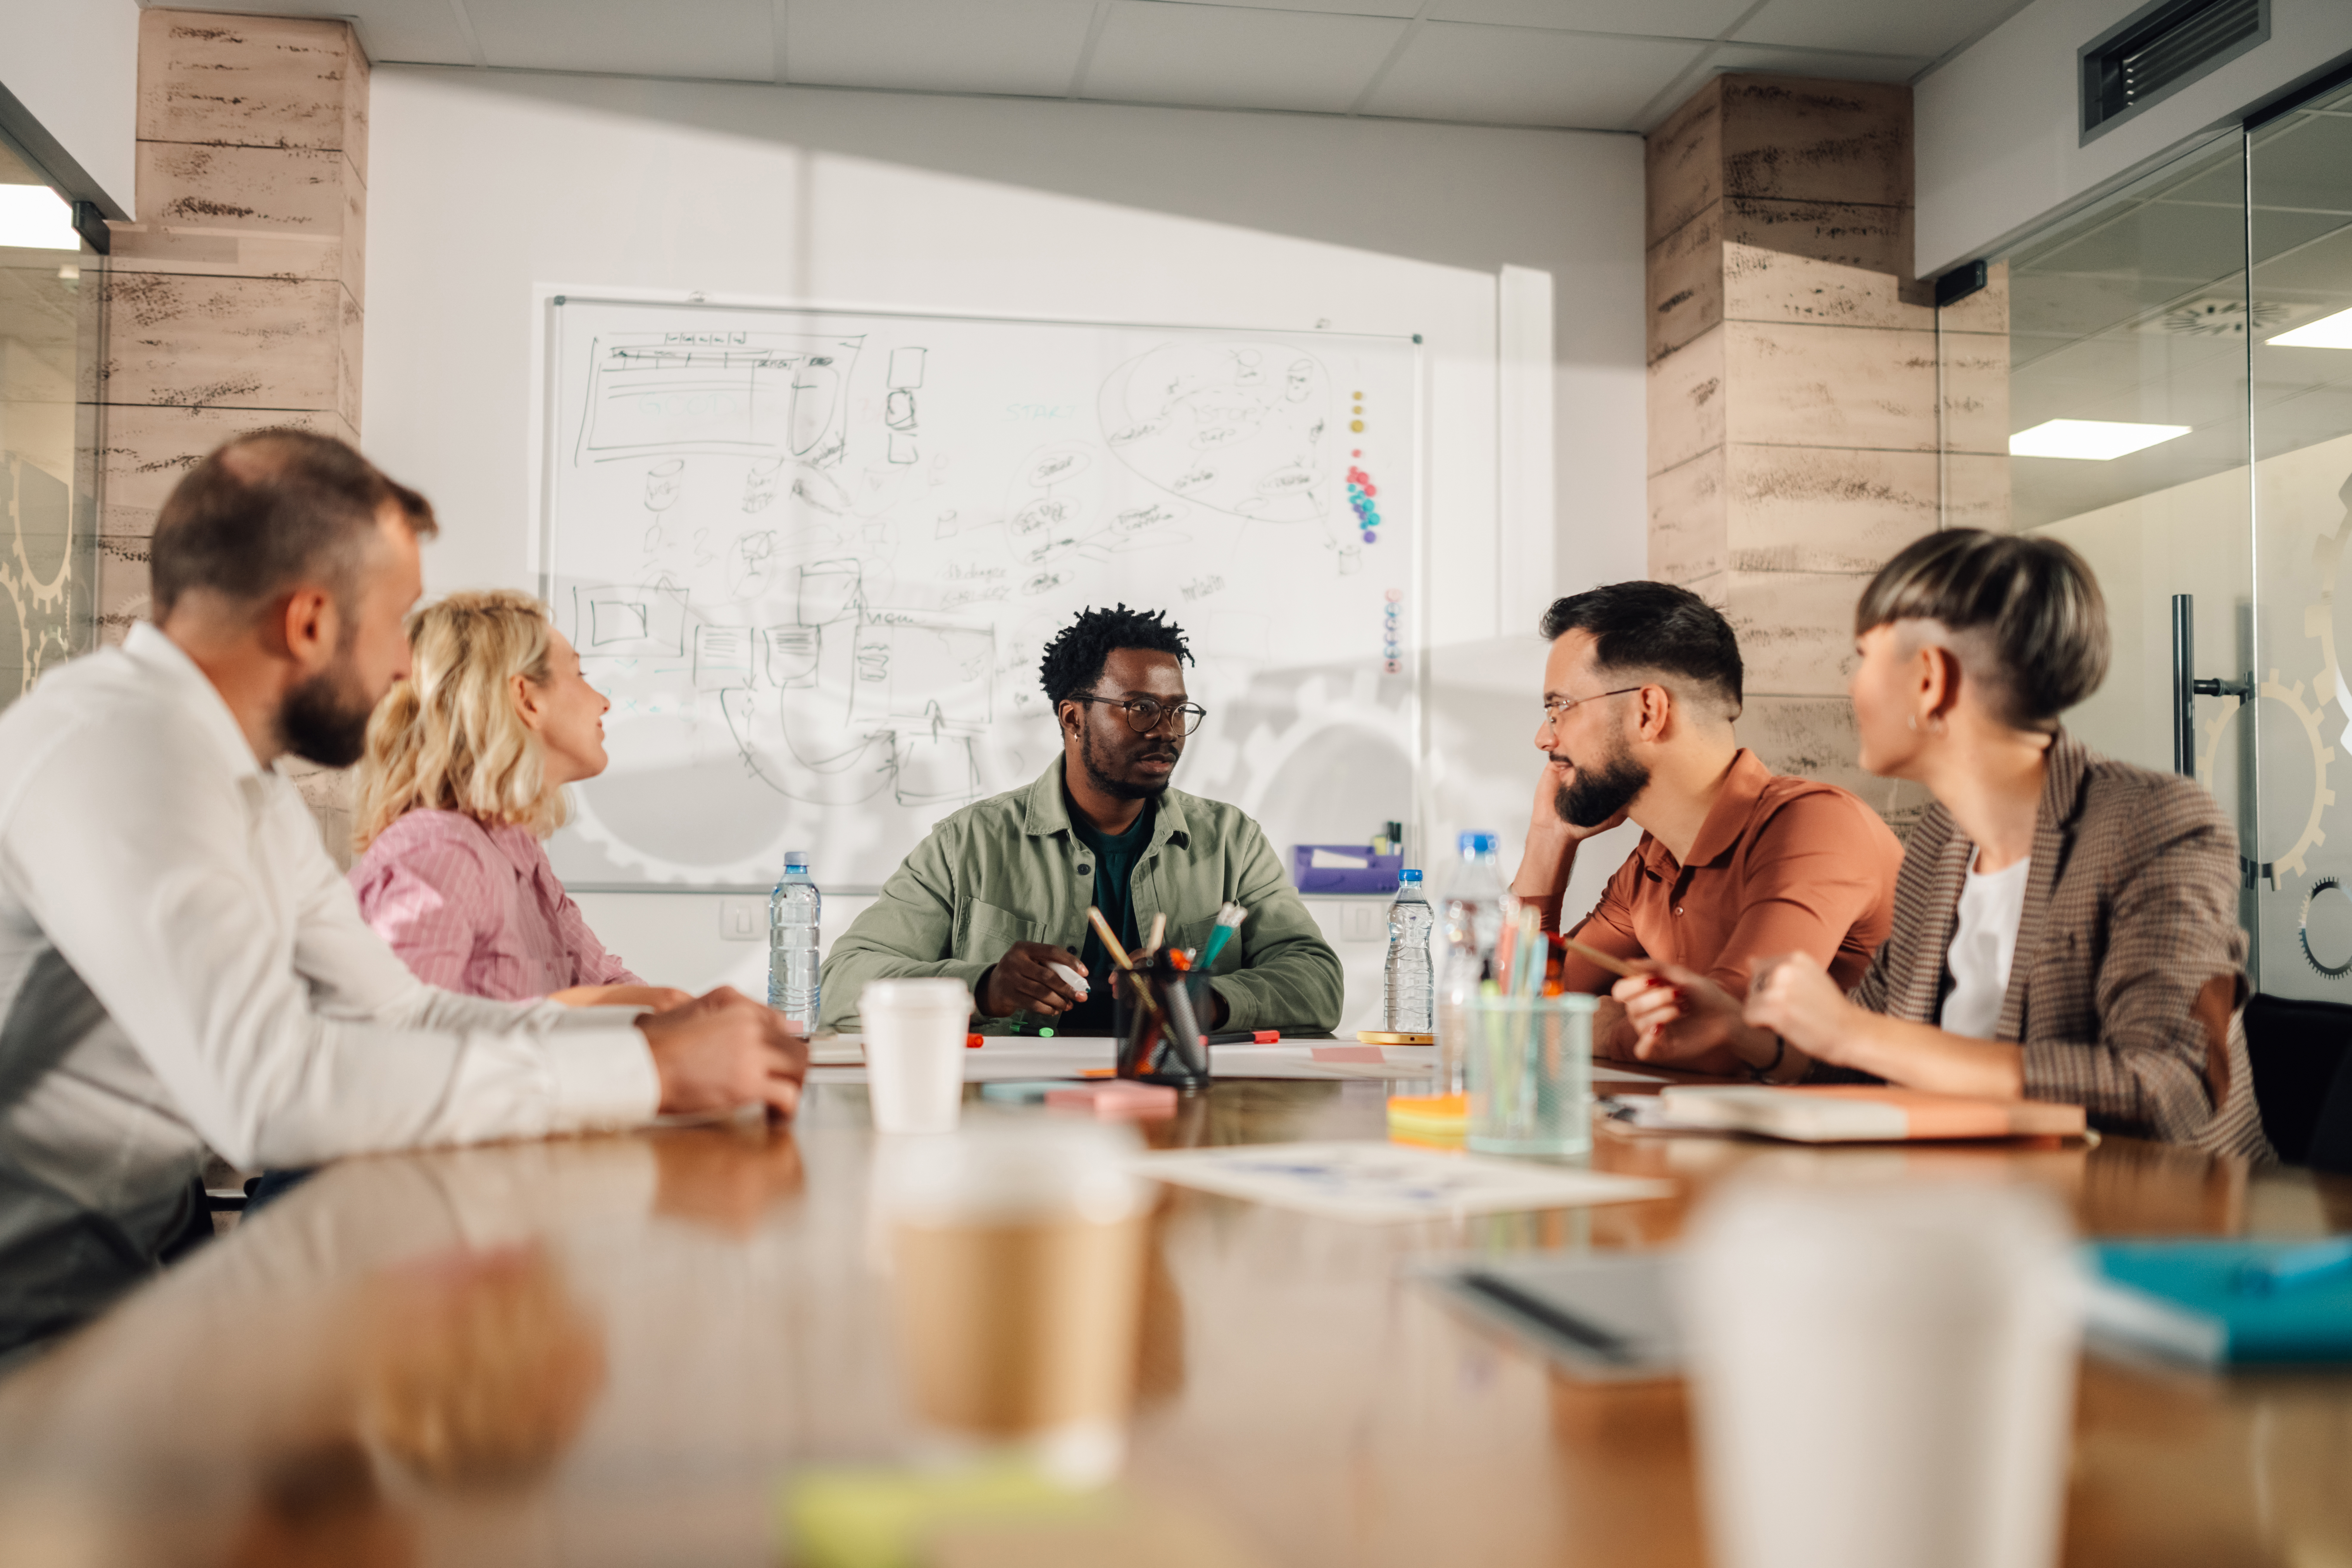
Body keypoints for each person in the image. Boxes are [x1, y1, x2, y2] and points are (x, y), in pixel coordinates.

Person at [0, 431, 806, 1359]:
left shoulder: (241, 784)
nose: (402, 670)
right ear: (309, 622)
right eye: (396, 621)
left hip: (131, 1274)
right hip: (36, 1326)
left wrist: (647, 1039)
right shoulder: (124, 753)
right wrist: (648, 1073)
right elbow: (270, 1091)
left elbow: (400, 1013)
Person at [1623, 530, 2268, 1155]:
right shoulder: (1940, 842)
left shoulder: (2155, 822)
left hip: (2161, 1229)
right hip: (1976, 1204)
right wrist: (1748, 1036)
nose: (1852, 686)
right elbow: (1874, 1060)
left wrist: (1852, 1034)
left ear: (1929, 679)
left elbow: (2175, 1088)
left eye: (1865, 656)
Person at [821, 604, 1342, 1035]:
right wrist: (982, 987)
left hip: (1181, 1104)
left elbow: (1317, 983)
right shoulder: (969, 843)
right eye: (1141, 708)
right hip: (1019, 1118)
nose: (1167, 731)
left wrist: (1209, 1000)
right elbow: (843, 983)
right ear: (1073, 718)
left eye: (1178, 711)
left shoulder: (1232, 842)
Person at [1510, 581, 1903, 1069]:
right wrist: (1548, 841)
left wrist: (1606, 1027)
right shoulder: (1650, 865)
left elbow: (1728, 1034)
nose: (1542, 738)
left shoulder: (1814, 826)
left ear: (1648, 712)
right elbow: (1517, 1014)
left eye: (1559, 709)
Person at [348, 591, 685, 1011]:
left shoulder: (519, 849)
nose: (604, 702)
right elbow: (395, 1033)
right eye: (579, 675)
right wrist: (580, 1007)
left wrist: (694, 1013)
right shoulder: (440, 853)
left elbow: (607, 980)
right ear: (527, 699)